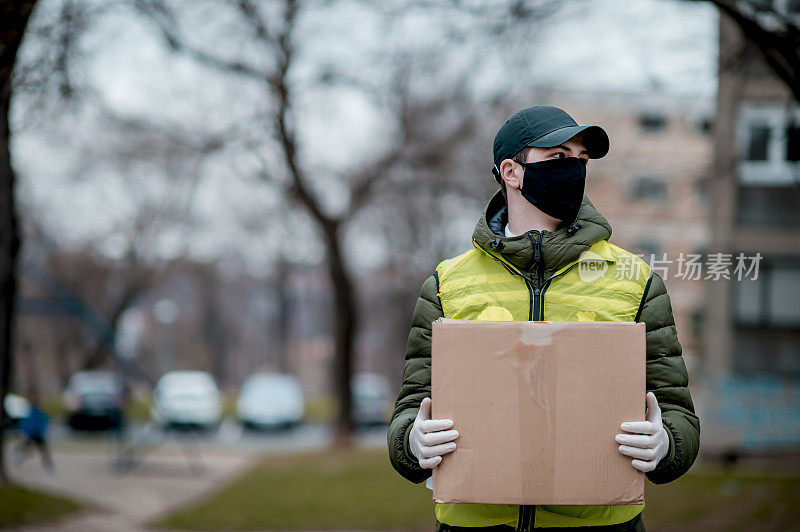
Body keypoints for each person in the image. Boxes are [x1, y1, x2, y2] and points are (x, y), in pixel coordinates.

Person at [387, 106, 700, 531]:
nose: (574, 168)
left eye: (581, 158)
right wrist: (412, 441)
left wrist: (667, 444)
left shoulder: (635, 280)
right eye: (558, 157)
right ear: (512, 173)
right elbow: (411, 408)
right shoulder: (447, 284)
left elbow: (678, 413)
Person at [13, 392, 55, 473]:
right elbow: (25, 423)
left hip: (37, 434)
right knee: (28, 449)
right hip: (32, 434)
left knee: (43, 451)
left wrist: (41, 430)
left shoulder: (37, 413)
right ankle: (19, 459)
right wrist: (26, 431)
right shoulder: (30, 412)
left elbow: (44, 422)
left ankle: (48, 466)